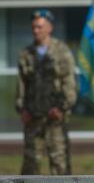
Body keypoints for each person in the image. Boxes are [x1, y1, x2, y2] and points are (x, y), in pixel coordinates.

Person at [15, 9, 77, 175]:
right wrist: (22, 109)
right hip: (33, 118)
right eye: (34, 27)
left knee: (60, 165)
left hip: (55, 118)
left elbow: (69, 84)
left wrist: (61, 107)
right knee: (30, 165)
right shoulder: (26, 54)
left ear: (49, 28)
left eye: (40, 27)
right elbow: (21, 85)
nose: (36, 30)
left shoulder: (61, 52)